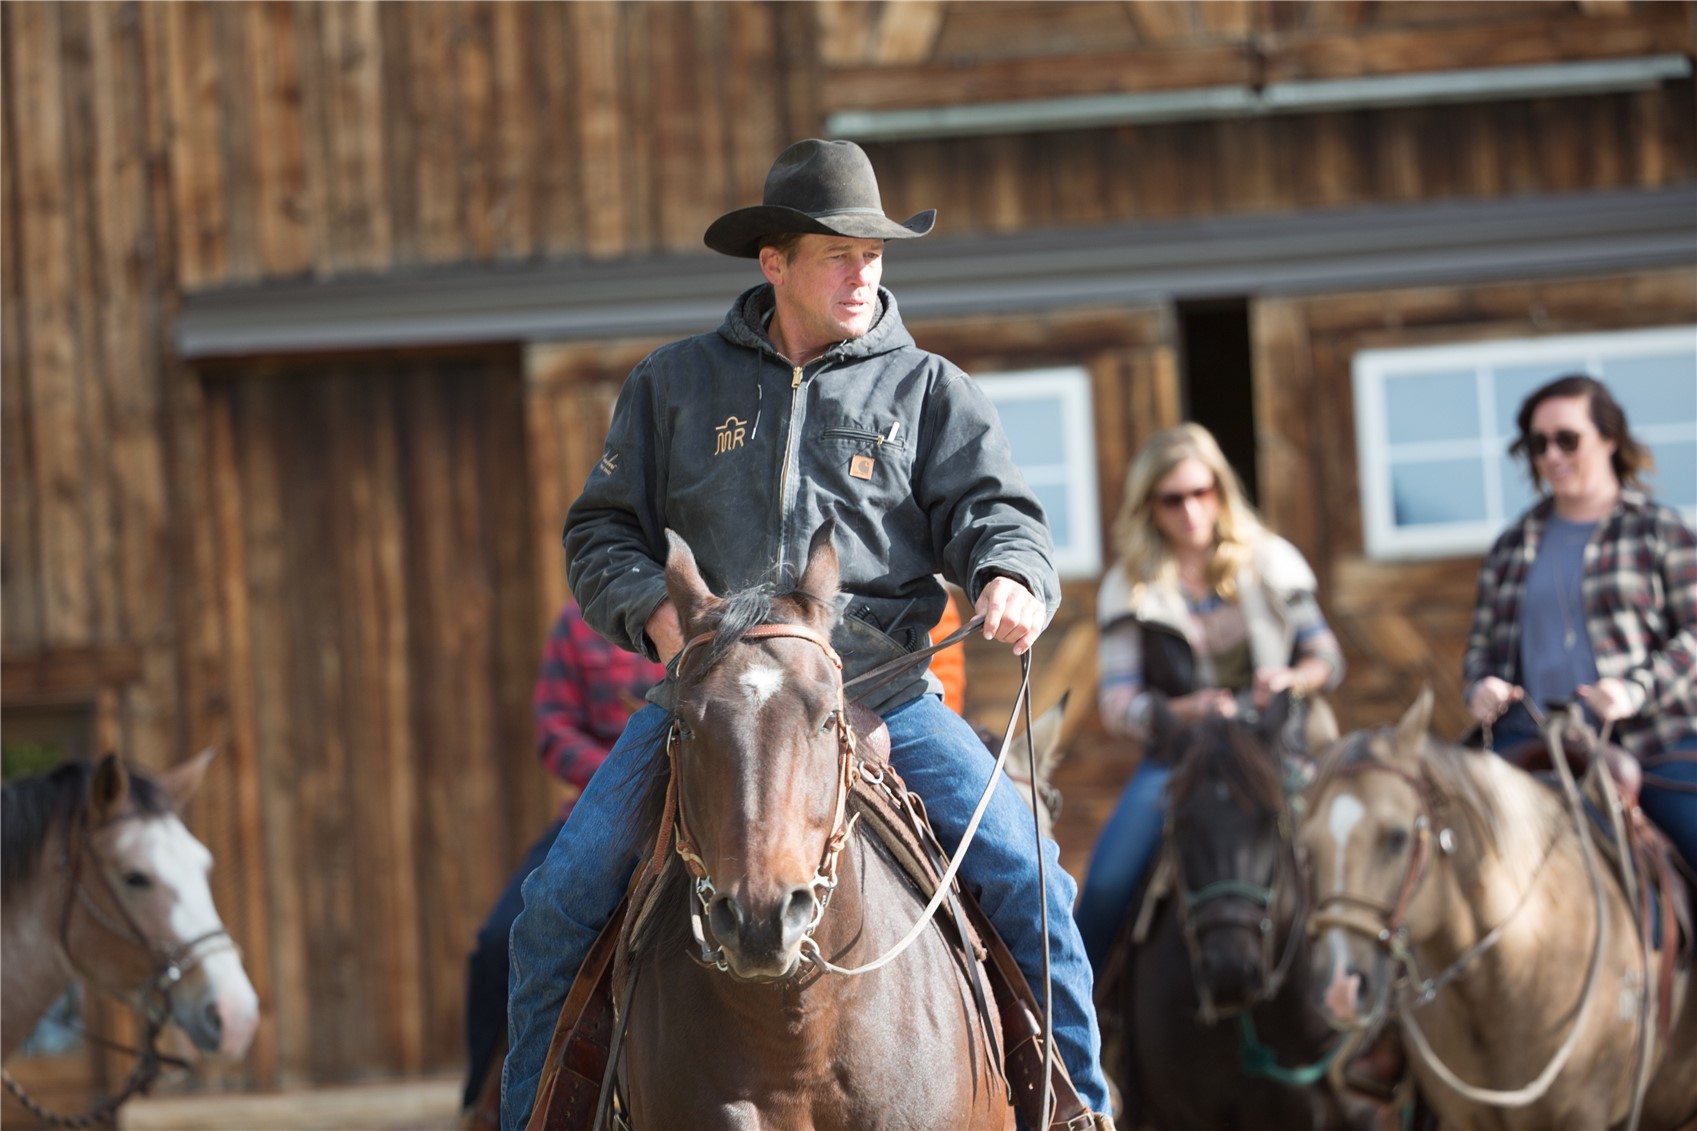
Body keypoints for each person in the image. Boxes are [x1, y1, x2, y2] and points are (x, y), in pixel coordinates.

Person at [502, 138, 1113, 1128]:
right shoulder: (671, 386)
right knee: (556, 907)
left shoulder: (927, 390)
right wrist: (657, 617)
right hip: (707, 700)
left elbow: (998, 513)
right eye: (837, 252)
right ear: (772, 263)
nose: (862, 272)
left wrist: (1010, 575)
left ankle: (1083, 1113)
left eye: (873, 254)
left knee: (1031, 883)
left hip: (881, 697)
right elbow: (600, 529)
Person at [1074, 423, 1346, 972]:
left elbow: (1327, 659)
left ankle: (1378, 1024)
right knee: (1104, 886)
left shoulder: (1271, 560)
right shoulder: (1129, 584)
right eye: (1173, 499)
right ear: (1149, 505)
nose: (1191, 511)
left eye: (1203, 492)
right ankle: (1086, 1032)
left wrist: (1293, 681)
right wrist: (1183, 711)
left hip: (1278, 747)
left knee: (1350, 865)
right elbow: (1117, 705)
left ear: (1221, 491)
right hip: (1181, 756)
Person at [1464, 373, 1696, 871]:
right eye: (1538, 444)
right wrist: (1478, 688)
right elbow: (1480, 649)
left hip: (1651, 744)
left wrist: (1636, 690)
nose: (1551, 455)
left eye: (1567, 439)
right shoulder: (1512, 545)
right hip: (1528, 743)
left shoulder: (1660, 531)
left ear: (1609, 439)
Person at [460, 602, 663, 1117]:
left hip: (687, 816)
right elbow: (554, 730)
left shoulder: (719, 609)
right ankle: (480, 1105)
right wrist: (619, 780)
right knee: (496, 941)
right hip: (592, 813)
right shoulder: (578, 623)